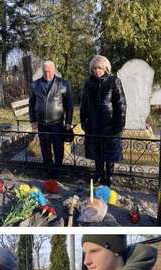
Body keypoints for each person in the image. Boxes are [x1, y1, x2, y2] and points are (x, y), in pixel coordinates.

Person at [80, 55, 126, 187]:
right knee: (97, 152)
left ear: (105, 68)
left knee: (109, 153)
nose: (97, 71)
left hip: (110, 124)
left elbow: (121, 104)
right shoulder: (89, 84)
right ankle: (98, 174)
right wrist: (84, 121)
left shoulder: (114, 81)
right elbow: (84, 104)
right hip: (94, 124)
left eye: (99, 68)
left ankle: (109, 176)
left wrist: (119, 125)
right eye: (94, 68)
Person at [29, 61, 74, 179]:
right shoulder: (35, 85)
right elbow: (31, 104)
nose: (47, 74)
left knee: (58, 148)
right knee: (45, 149)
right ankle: (48, 171)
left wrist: (69, 122)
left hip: (57, 123)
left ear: (54, 71)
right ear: (42, 71)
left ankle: (57, 170)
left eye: (49, 71)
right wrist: (33, 121)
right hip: (42, 123)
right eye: (45, 71)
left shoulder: (63, 84)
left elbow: (69, 105)